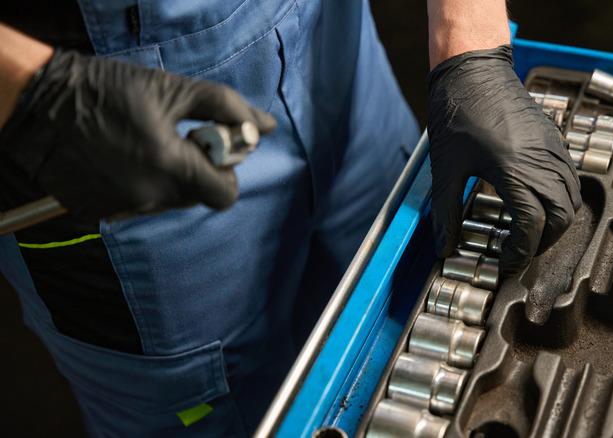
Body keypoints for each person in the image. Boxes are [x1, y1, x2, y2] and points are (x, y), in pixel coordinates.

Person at [0, 0, 581, 436]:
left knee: (396, 317)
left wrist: (470, 44)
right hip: (100, 122)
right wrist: (35, 94)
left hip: (326, 38)